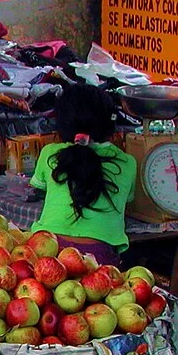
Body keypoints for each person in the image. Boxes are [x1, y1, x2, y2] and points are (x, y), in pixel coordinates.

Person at [30, 87, 137, 266]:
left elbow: (38, 188)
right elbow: (128, 200)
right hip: (98, 259)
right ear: (110, 122)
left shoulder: (50, 154)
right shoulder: (127, 163)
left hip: (47, 250)